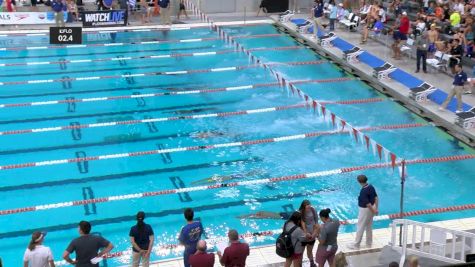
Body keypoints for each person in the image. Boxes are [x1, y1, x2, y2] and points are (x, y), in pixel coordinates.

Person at [347, 175, 378, 250]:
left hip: (365, 210)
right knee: (369, 226)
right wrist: (376, 209)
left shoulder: (363, 191)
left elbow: (367, 204)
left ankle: (356, 245)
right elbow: (376, 198)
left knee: (360, 226)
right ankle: (369, 244)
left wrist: (373, 210)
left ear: (359, 182)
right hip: (372, 208)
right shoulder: (371, 186)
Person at [299, 200, 319, 267]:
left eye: (309, 207)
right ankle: (299, 264)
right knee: (301, 252)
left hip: (312, 235)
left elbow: (316, 222)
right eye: (307, 207)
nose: (308, 208)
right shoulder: (301, 213)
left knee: (310, 251)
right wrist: (306, 233)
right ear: (303, 207)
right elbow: (302, 223)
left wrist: (314, 233)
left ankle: (312, 263)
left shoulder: (313, 210)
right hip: (303, 236)